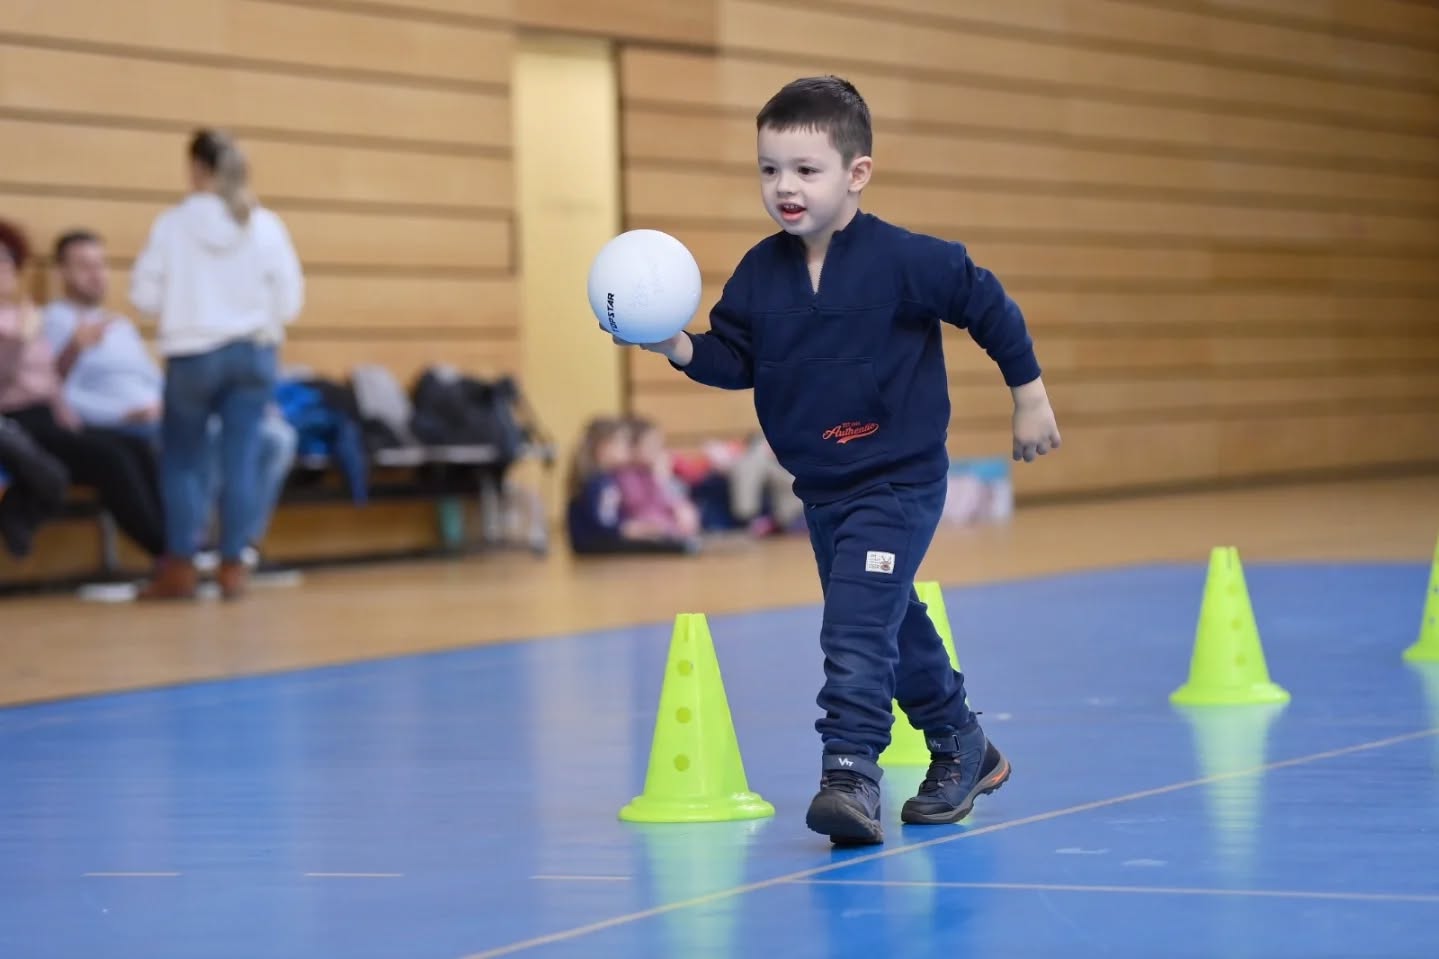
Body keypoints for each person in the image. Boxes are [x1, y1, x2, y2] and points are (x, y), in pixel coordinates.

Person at [617, 76, 1062, 845]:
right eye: (768, 170)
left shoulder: (904, 261)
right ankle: (964, 745)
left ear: (856, 173)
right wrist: (678, 345)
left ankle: (850, 771)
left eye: (804, 169)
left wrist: (1030, 394)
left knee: (854, 628)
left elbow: (984, 300)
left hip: (897, 480)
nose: (783, 186)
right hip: (823, 488)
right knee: (891, 622)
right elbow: (736, 357)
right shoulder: (759, 274)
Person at [129, 128, 304, 600]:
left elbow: (143, 296)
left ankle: (181, 566)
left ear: (196, 169)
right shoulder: (265, 224)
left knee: (183, 461)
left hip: (193, 355)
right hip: (254, 354)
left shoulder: (172, 225)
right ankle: (233, 567)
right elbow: (289, 303)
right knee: (241, 459)